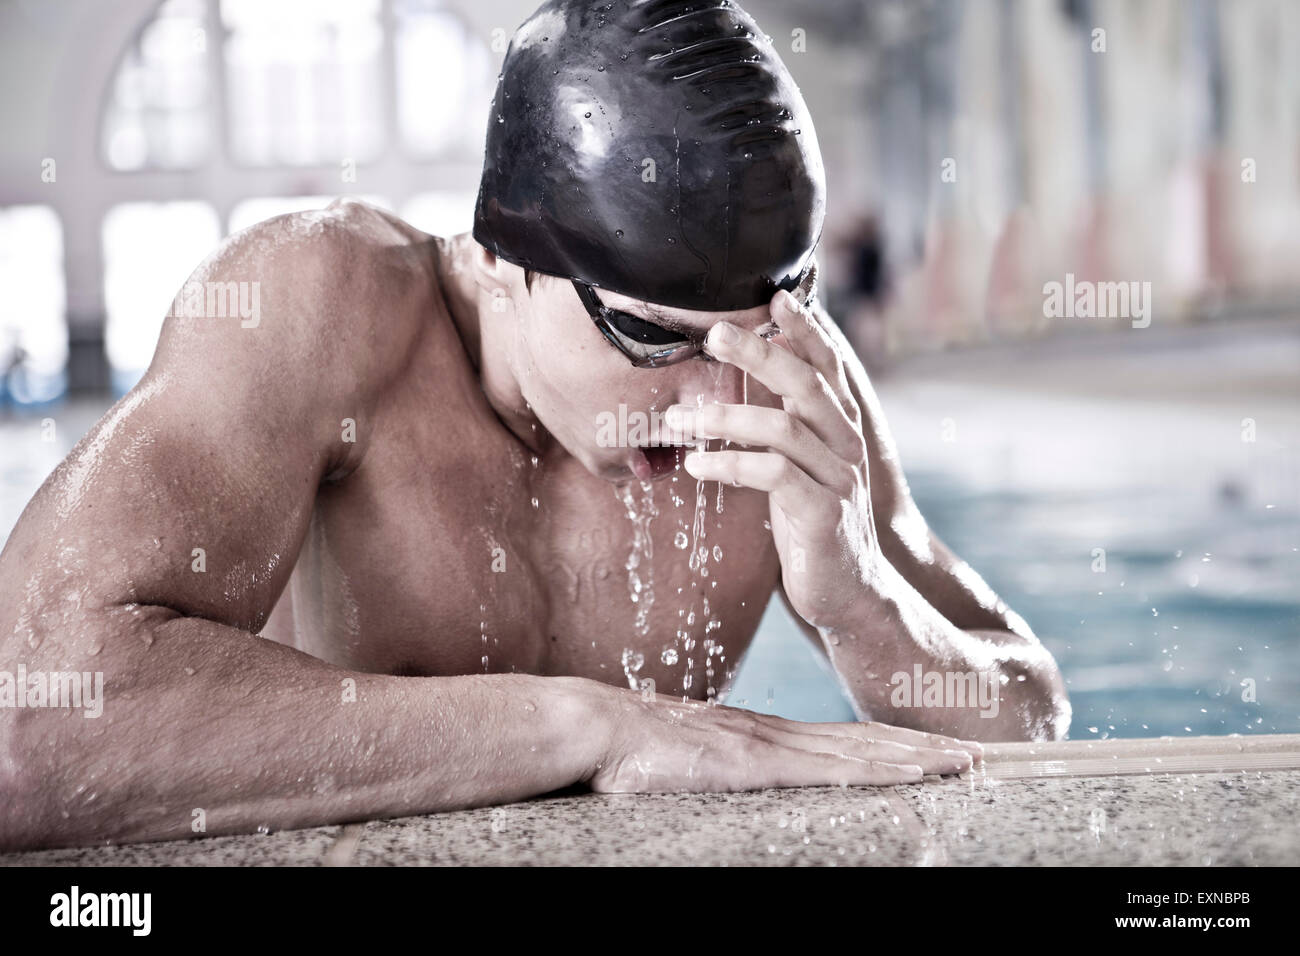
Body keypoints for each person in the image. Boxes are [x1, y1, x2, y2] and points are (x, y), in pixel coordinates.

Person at [0, 0, 1068, 851]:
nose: (711, 398)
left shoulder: (786, 383)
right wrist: (591, 725)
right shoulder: (321, 307)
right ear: (506, 258)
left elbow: (1032, 724)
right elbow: (29, 728)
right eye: (654, 337)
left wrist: (859, 601)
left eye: (749, 336)